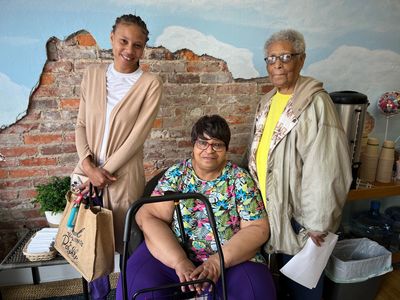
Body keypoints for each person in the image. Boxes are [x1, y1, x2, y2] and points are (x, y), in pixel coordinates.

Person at [116, 115, 276, 300]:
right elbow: (148, 217)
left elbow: (258, 228)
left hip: (231, 258)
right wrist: (179, 261)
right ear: (193, 144)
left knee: (257, 293)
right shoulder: (177, 175)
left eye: (217, 144)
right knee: (134, 285)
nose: (209, 150)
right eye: (203, 143)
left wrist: (217, 261)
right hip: (174, 252)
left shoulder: (240, 179)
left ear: (226, 149)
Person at [246, 29, 352, 300]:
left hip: (301, 222)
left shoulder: (316, 103)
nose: (277, 64)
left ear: (301, 59)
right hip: (270, 212)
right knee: (276, 285)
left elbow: (328, 168)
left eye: (285, 57)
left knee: (303, 287)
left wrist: (319, 222)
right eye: (271, 58)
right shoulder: (267, 101)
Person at [73, 14, 163, 300]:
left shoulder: (150, 83)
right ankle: (98, 296)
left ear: (144, 48)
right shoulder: (92, 74)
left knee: (128, 244)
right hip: (86, 174)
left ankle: (127, 294)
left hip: (123, 178)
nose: (129, 49)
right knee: (89, 242)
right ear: (111, 38)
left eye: (137, 45)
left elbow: (137, 138)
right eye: (123, 41)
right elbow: (81, 124)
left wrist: (102, 172)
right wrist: (88, 166)